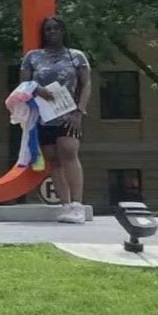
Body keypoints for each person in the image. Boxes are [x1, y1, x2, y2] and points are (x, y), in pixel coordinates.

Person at [20, 15, 93, 223]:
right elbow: (23, 85)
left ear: (63, 31)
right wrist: (37, 89)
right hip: (43, 116)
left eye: (56, 29)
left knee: (69, 152)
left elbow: (86, 84)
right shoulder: (32, 57)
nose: (52, 33)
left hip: (68, 114)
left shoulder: (76, 56)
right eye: (48, 30)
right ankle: (65, 204)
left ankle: (78, 205)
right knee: (53, 159)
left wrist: (80, 111)